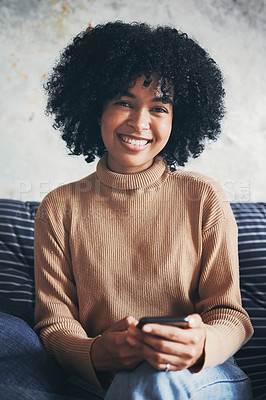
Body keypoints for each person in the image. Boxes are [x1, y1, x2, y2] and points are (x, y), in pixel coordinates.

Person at [34, 21, 254, 399]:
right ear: (95, 108)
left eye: (159, 108)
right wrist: (97, 351)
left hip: (199, 374)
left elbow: (230, 314)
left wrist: (202, 343)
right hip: (101, 381)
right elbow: (54, 324)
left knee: (151, 380)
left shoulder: (202, 196)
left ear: (177, 120)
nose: (139, 122)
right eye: (124, 102)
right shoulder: (59, 207)